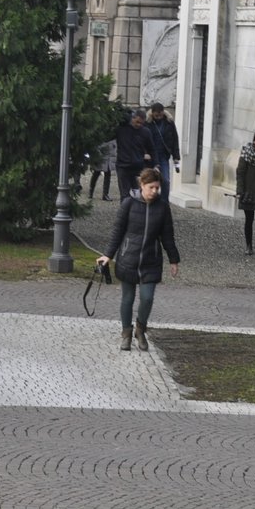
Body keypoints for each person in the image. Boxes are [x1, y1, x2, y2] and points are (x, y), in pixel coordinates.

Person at [97, 167, 181, 352]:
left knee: (147, 297)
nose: (154, 191)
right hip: (129, 258)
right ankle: (126, 333)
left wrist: (173, 260)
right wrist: (108, 255)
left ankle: (140, 329)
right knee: (127, 298)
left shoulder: (162, 207)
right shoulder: (128, 203)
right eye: (151, 187)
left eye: (157, 188)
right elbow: (117, 231)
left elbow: (168, 236)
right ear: (142, 185)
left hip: (151, 260)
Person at [114, 109, 155, 202]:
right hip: (123, 165)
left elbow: (152, 149)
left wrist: (154, 164)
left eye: (141, 123)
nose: (139, 125)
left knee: (137, 194)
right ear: (132, 119)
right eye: (137, 122)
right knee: (125, 194)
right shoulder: (122, 129)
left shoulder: (145, 132)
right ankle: (125, 214)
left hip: (138, 166)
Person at [146, 103, 182, 186]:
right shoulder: (147, 123)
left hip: (163, 155)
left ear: (163, 113)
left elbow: (174, 139)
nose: (158, 118)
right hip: (150, 156)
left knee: (165, 180)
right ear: (152, 114)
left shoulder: (169, 122)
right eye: (156, 116)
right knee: (150, 180)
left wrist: (176, 157)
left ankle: (164, 199)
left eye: (160, 115)